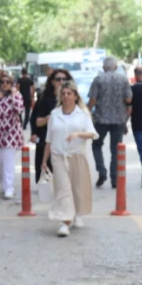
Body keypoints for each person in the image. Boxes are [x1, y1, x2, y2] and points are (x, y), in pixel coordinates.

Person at [42, 80, 98, 237]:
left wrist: (78, 134)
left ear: (75, 96)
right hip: (58, 157)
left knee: (77, 188)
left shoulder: (83, 114)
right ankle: (64, 222)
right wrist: (44, 161)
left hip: (77, 155)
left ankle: (77, 213)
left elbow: (92, 133)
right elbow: (49, 139)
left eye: (69, 94)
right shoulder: (54, 115)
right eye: (63, 94)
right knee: (63, 189)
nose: (66, 96)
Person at [87, 57, 133, 189]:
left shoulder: (98, 79)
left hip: (101, 119)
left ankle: (102, 171)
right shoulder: (123, 79)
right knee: (116, 150)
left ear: (103, 67)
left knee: (96, 145)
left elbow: (93, 99)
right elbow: (129, 98)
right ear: (116, 67)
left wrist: (87, 112)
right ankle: (115, 179)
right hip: (119, 120)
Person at [0, 71, 25, 199]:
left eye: (8, 82)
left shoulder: (17, 95)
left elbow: (19, 110)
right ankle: (3, 185)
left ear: (12, 84)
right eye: (3, 82)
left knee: (8, 160)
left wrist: (13, 95)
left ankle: (9, 187)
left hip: (11, 132)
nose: (5, 84)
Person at [29, 69, 72, 183]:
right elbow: (36, 121)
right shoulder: (45, 99)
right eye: (58, 79)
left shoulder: (73, 99)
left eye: (64, 79)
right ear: (52, 82)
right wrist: (50, 118)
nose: (61, 82)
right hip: (47, 139)